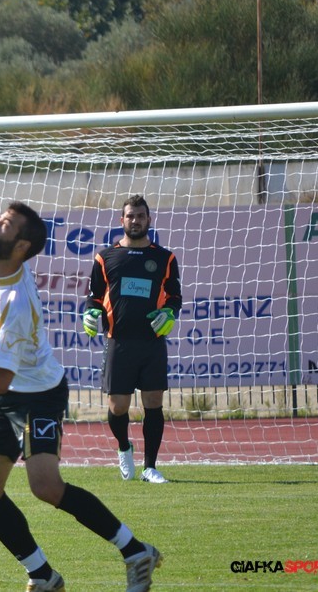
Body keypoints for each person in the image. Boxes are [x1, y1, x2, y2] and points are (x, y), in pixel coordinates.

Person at [0, 202, 162, 592]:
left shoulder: (17, 303)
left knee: (46, 487)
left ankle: (135, 551)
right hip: (8, 395)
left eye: (5, 225)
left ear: (21, 246)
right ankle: (43, 575)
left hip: (39, 394)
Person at [82, 194, 182, 484]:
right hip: (119, 341)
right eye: (130, 216)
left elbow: (175, 296)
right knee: (118, 407)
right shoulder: (105, 257)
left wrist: (170, 313)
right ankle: (124, 447)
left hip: (152, 342)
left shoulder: (165, 258)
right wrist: (90, 313)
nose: (135, 220)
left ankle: (150, 467)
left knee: (153, 402)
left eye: (140, 216)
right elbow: (94, 297)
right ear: (121, 220)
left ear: (149, 219)